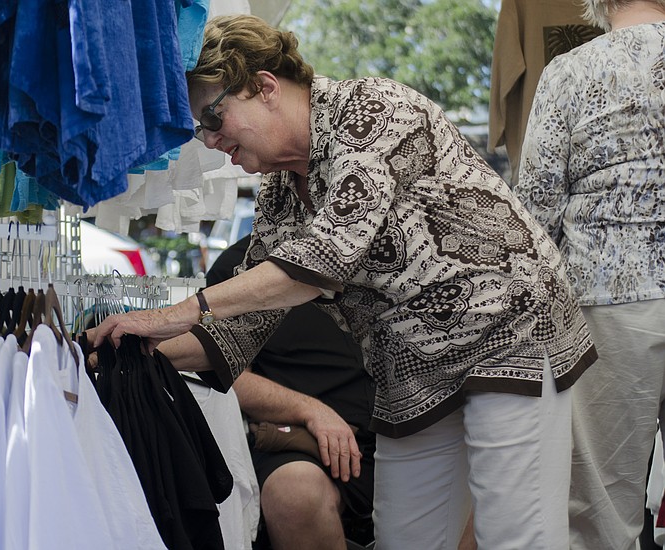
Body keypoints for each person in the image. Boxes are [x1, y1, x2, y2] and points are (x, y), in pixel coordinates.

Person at [91, 14, 597, 549]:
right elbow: (239, 328)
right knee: (407, 537)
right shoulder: (282, 195)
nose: (212, 140)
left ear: (264, 87)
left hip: (507, 331)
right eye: (200, 129)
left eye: (213, 118)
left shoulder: (370, 111)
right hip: (411, 367)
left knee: (515, 537)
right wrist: (129, 352)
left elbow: (328, 255)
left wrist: (174, 313)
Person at [514, 2, 665, 548]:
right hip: (613, 294)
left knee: (601, 500)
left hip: (608, 295)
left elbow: (534, 207)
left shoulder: (572, 70)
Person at [207, 234, 376, 549]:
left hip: (400, 429)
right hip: (301, 442)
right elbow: (226, 372)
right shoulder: (240, 264)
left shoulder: (385, 250)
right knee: (295, 493)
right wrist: (310, 410)